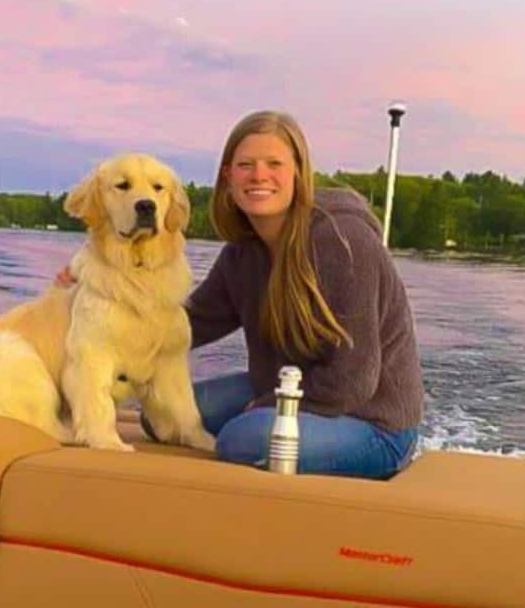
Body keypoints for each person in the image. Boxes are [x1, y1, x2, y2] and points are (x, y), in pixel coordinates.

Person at [60, 110, 424, 478]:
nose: (259, 176)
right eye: (245, 164)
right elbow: (188, 322)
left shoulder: (343, 241)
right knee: (163, 419)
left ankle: (269, 425)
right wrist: (100, 293)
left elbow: (353, 381)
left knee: (241, 439)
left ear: (298, 172)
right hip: (285, 386)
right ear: (227, 176)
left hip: (374, 423)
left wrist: (260, 407)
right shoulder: (243, 252)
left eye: (274, 164)